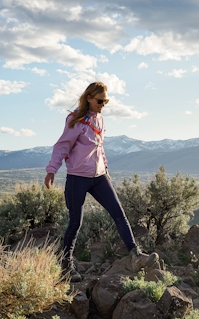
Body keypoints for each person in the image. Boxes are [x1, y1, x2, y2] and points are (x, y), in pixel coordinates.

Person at [44, 81, 159, 282]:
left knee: (118, 213)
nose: (103, 104)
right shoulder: (75, 120)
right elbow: (62, 146)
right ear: (89, 97)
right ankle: (66, 266)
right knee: (75, 222)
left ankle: (135, 255)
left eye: (105, 101)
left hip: (98, 177)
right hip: (78, 178)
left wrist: (105, 168)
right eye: (100, 100)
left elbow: (100, 147)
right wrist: (52, 170)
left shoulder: (101, 121)